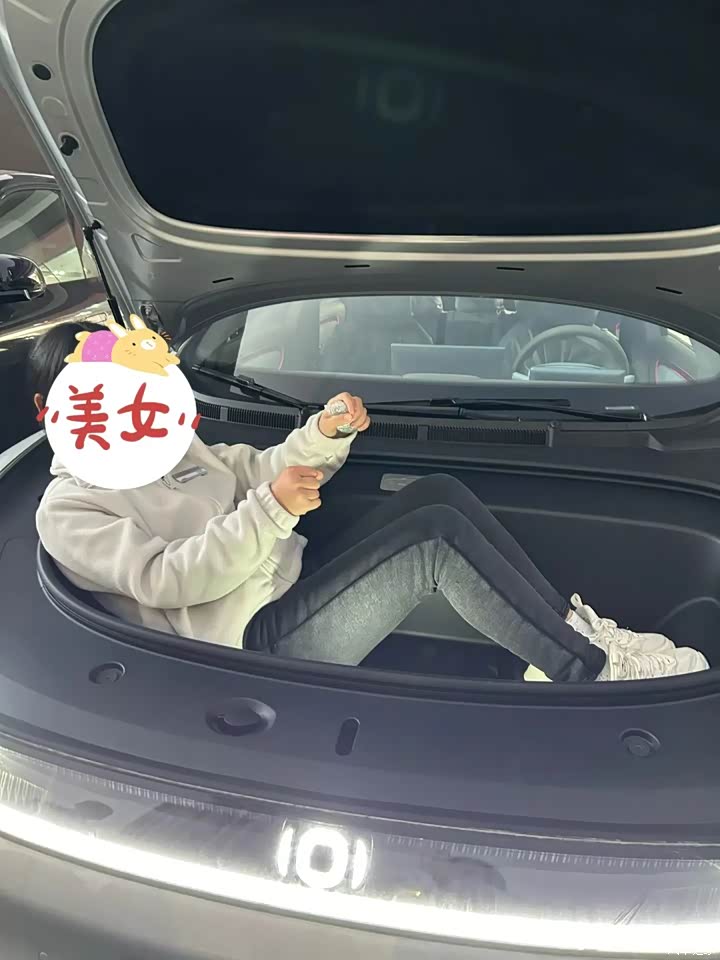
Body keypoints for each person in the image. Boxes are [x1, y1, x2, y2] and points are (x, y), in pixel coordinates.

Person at [32, 321, 708, 683]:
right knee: (433, 542)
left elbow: (259, 469)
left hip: (287, 583)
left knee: (437, 495)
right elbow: (169, 580)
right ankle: (590, 671)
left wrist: (323, 434)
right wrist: (270, 508)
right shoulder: (68, 511)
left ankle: (571, 636)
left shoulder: (170, 445)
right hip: (252, 646)